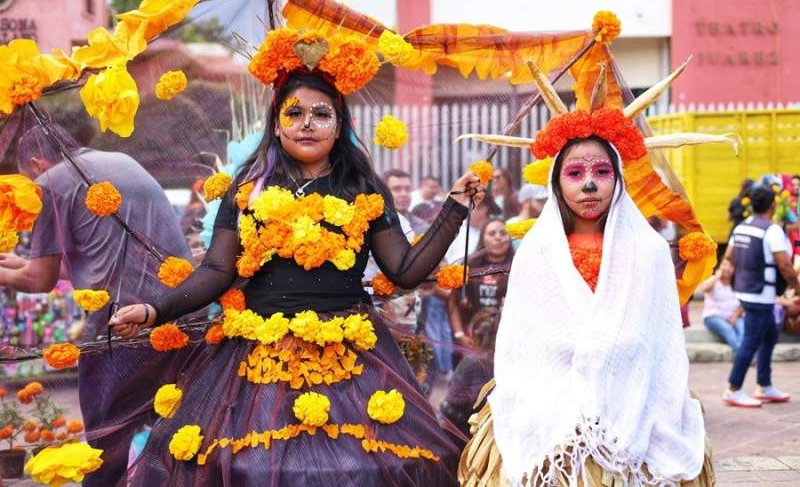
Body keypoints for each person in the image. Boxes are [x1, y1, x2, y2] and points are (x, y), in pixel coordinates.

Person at [109, 70, 486, 486]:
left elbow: (405, 270)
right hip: (255, 358)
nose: (307, 123)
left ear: (339, 126)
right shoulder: (248, 189)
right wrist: (153, 309)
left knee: (367, 468)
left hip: (351, 358)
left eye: (321, 114)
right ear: (276, 124)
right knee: (243, 467)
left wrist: (453, 210)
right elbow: (217, 271)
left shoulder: (363, 187)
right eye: (295, 112)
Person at [459, 64, 716, 483]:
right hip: (551, 413)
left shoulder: (647, 250)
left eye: (601, 172)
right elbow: (522, 342)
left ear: (618, 179)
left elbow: (662, 338)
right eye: (576, 174)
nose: (590, 186)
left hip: (637, 403)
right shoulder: (537, 253)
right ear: (557, 183)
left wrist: (614, 357)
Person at [0, 121, 192, 486]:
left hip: (123, 323)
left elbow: (39, 280)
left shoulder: (50, 184)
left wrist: (9, 274)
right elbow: (100, 259)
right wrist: (13, 264)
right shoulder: (118, 160)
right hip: (180, 308)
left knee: (105, 443)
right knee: (170, 424)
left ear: (37, 164)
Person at [723, 185, 800, 407]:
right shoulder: (772, 230)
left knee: (769, 337)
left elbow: (729, 256)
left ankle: (764, 385)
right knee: (750, 342)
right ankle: (733, 389)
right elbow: (785, 265)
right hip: (762, 294)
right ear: (773, 205)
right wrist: (796, 286)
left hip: (746, 290)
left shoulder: (741, 227)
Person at [448, 217, 513, 350]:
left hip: (508, 340)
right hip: (473, 338)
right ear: (483, 238)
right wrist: (459, 334)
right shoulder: (469, 265)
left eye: (503, 233)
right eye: (492, 233)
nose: (498, 237)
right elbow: (453, 301)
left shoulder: (519, 265)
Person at [439, 308, 500, 437]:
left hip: (469, 435)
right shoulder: (507, 361)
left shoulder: (472, 362)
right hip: (486, 433)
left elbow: (449, 411)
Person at [700, 259, 744, 353]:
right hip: (713, 317)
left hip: (734, 316)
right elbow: (703, 289)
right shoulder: (713, 279)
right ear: (720, 267)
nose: (727, 268)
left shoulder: (738, 283)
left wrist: (736, 315)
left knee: (743, 329)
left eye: (731, 266)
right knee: (728, 329)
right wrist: (716, 277)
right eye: (724, 265)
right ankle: (742, 355)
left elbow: (744, 302)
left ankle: (742, 356)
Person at [382, 169, 428, 236]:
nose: (404, 194)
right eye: (396, 189)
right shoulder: (371, 225)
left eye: (408, 189)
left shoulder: (422, 227)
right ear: (383, 191)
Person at [506, 184, 547, 250]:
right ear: (527, 202)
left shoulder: (545, 225)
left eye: (545, 200)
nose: (544, 204)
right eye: (540, 201)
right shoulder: (510, 225)